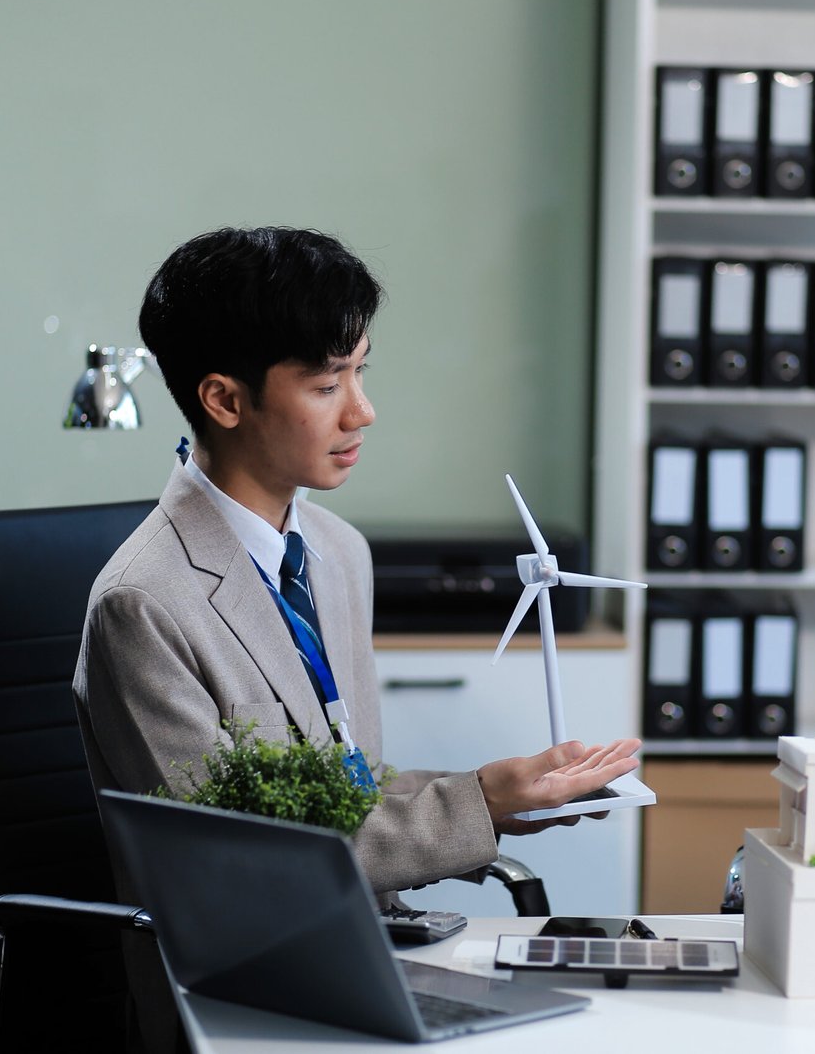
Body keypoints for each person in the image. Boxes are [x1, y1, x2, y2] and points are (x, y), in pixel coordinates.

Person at [73, 225, 638, 1050]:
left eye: (360, 370)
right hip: (245, 989)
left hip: (376, 953)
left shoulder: (337, 554)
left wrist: (507, 792)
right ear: (225, 400)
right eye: (327, 381)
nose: (362, 409)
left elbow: (345, 784)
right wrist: (479, 801)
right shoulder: (142, 604)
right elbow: (248, 865)